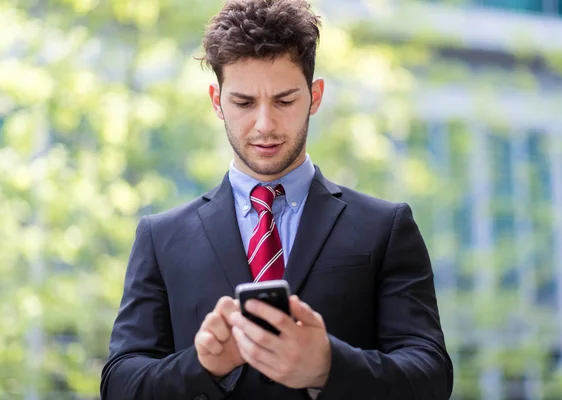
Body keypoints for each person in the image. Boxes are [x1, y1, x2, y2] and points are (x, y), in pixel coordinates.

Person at [100, 0, 453, 399]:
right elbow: (119, 384)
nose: (265, 125)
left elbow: (431, 376)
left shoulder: (385, 228)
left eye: (284, 101)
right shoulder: (160, 238)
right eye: (244, 103)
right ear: (216, 101)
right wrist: (202, 366)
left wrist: (327, 366)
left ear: (314, 96)